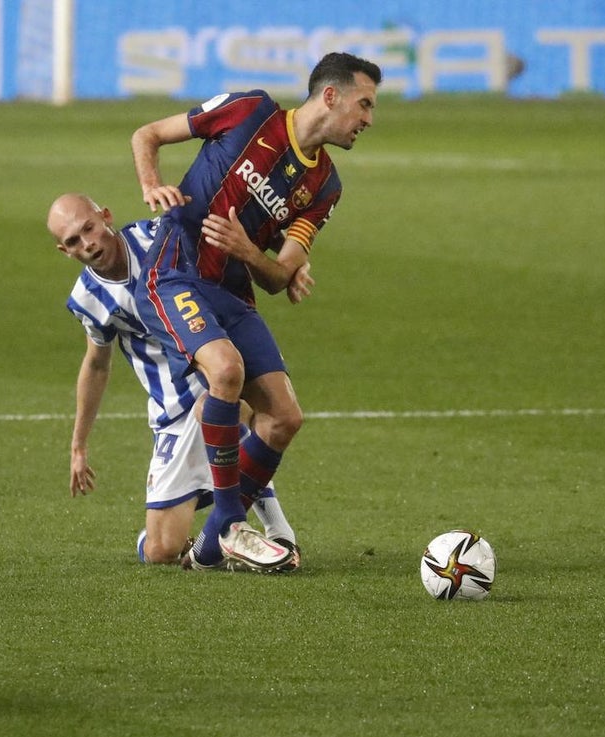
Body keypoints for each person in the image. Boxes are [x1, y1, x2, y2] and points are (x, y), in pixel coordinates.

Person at [130, 52, 381, 569]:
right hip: (176, 271)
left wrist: (249, 252)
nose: (368, 120)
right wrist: (152, 184)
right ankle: (233, 525)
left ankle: (208, 548)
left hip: (235, 291)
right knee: (225, 370)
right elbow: (147, 134)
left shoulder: (325, 188)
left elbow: (280, 277)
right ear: (330, 96)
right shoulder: (248, 110)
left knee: (285, 418)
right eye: (364, 104)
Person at [47, 193, 305, 570]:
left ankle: (274, 529)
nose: (87, 243)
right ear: (64, 251)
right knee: (161, 551)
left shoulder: (158, 238)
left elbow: (230, 223)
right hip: (171, 413)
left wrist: (292, 262)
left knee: (236, 409)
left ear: (105, 216)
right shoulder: (88, 299)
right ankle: (188, 539)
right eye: (73, 241)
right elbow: (96, 366)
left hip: (215, 370)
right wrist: (78, 445)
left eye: (89, 228)